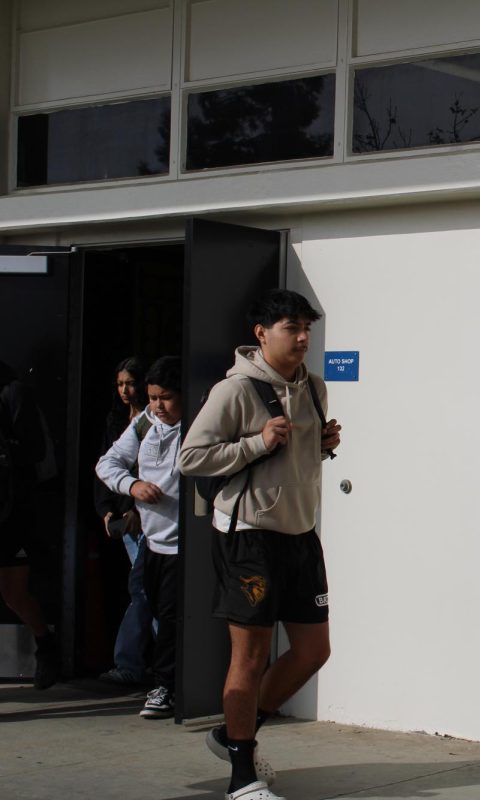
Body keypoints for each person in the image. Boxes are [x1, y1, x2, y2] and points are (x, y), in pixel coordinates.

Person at [179, 290, 342, 800]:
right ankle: (241, 776)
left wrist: (321, 446)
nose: (301, 338)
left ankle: (232, 736)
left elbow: (295, 458)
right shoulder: (235, 391)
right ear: (261, 334)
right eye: (291, 328)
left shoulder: (314, 387)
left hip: (300, 534)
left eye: (306, 330)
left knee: (314, 650)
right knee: (248, 658)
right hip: (248, 538)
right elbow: (190, 458)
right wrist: (256, 442)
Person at [95, 356, 182, 719]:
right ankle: (164, 682)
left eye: (165, 398)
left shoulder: (200, 425)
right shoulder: (145, 423)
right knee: (155, 610)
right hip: (151, 539)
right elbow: (107, 464)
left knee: (173, 616)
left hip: (187, 542)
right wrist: (133, 485)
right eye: (152, 397)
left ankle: (169, 686)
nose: (157, 406)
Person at [0, 360, 59, 689]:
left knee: (12, 593)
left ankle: (45, 645)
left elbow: (34, 450)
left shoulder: (13, 391)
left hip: (10, 509)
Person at [94, 357, 153, 686]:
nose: (125, 391)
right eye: (119, 384)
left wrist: (136, 509)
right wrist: (107, 509)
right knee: (144, 589)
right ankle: (155, 664)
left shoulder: (155, 419)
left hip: (148, 515)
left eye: (130, 383)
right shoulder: (117, 420)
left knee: (144, 589)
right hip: (125, 516)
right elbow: (105, 465)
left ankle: (139, 664)